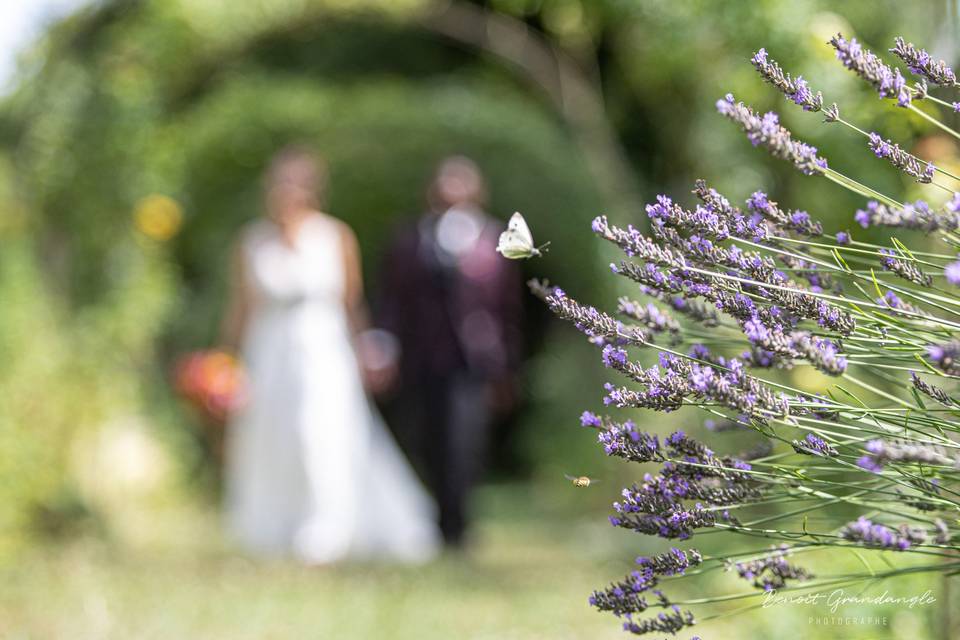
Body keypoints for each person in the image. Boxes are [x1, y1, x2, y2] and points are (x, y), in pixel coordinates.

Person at [220, 146, 440, 564]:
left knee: (319, 432)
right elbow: (241, 307)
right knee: (271, 434)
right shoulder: (251, 241)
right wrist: (226, 361)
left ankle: (326, 525)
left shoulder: (335, 235)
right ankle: (273, 524)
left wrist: (367, 352)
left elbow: (352, 303)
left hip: (322, 349)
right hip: (270, 352)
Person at [377, 156, 523, 547]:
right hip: (420, 358)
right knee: (425, 441)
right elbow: (394, 300)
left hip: (472, 363)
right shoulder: (410, 239)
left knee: (464, 443)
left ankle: (458, 526)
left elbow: (507, 309)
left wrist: (505, 368)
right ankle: (434, 520)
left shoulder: (495, 240)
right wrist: (384, 347)